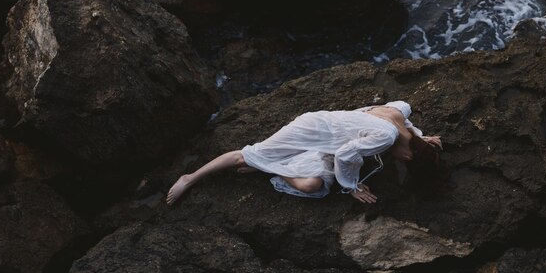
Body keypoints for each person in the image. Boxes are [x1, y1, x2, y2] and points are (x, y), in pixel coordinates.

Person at [166, 100, 444, 205]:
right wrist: (351, 186)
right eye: (405, 164)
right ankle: (190, 178)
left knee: (311, 184)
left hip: (327, 136)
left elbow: (404, 122)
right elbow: (346, 155)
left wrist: (421, 136)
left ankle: (270, 166)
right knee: (247, 155)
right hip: (312, 129)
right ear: (408, 156)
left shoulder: (400, 111)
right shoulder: (385, 138)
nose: (401, 163)